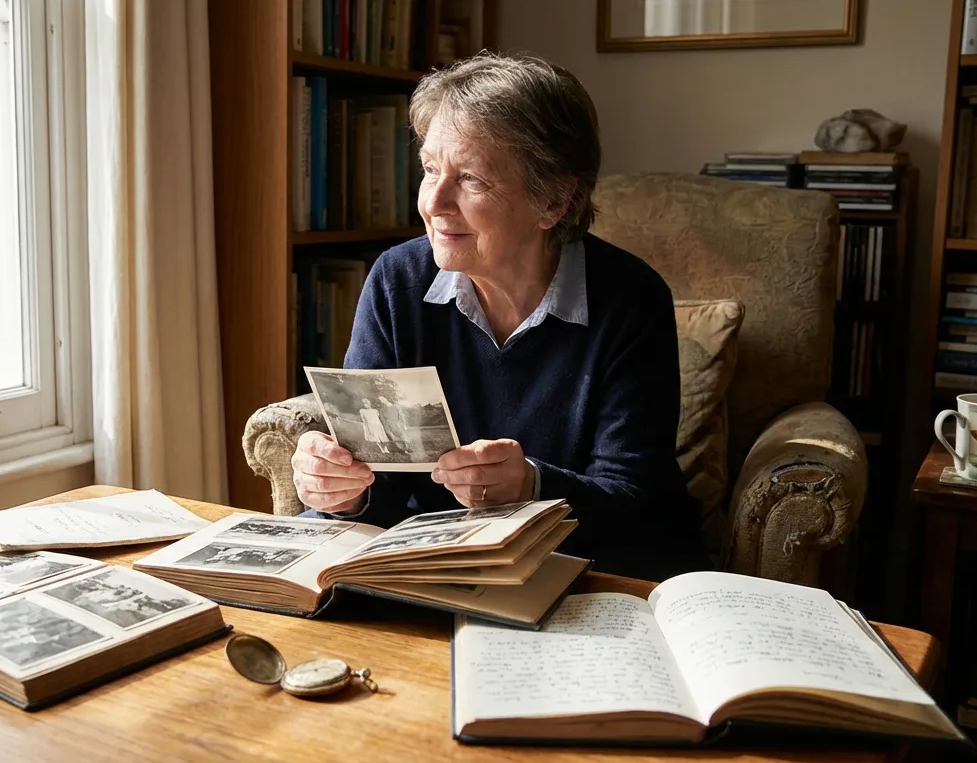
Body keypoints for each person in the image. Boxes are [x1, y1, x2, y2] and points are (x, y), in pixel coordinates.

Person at [289, 51, 709, 581]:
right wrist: (342, 489)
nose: (434, 202)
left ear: (553, 202)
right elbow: (384, 481)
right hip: (438, 561)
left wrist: (532, 486)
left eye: (471, 180)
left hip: (587, 562)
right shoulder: (398, 281)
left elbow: (636, 499)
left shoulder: (631, 298)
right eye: (430, 169)